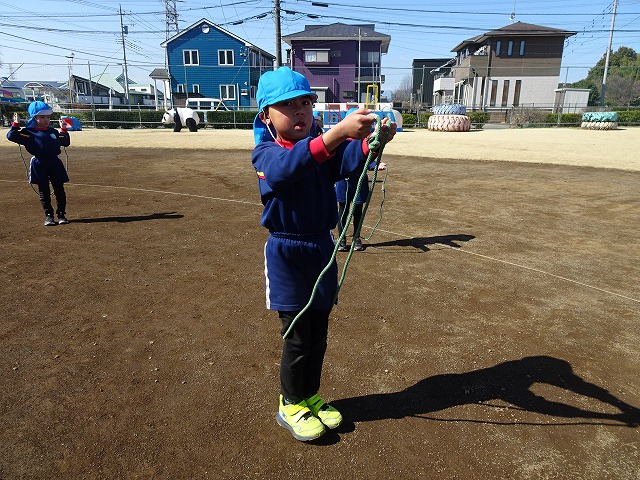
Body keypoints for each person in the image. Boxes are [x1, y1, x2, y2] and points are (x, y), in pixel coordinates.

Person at [251, 67, 396, 442]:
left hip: (321, 247)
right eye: (286, 105)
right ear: (266, 116)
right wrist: (336, 133)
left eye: (305, 102)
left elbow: (345, 162)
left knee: (318, 332)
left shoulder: (320, 148)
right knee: (298, 334)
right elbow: (287, 169)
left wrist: (371, 142)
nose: (299, 110)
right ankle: (290, 403)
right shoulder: (266, 154)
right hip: (287, 252)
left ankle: (309, 395)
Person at [7, 101, 71, 226]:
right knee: (44, 191)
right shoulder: (28, 132)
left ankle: (61, 215)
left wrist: (63, 129)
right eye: (42, 117)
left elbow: (65, 142)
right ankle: (49, 216)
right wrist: (16, 124)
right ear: (34, 118)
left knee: (59, 190)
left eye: (48, 117)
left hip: (55, 163)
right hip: (39, 164)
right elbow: (11, 136)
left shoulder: (53, 132)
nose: (46, 120)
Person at [335, 159, 387, 252]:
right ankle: (341, 239)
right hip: (343, 181)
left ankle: (356, 238)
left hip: (359, 180)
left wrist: (374, 164)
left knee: (358, 211)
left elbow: (364, 155)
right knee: (343, 210)